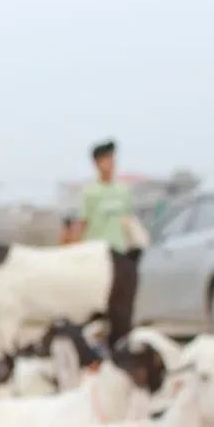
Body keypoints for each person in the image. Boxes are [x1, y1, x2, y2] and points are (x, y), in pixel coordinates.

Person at [77, 140, 140, 347]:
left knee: (121, 308)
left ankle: (121, 346)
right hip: (97, 257)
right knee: (96, 305)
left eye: (112, 158)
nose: (110, 163)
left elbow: (128, 221)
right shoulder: (90, 192)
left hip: (119, 254)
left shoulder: (123, 190)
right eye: (106, 159)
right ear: (96, 163)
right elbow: (82, 223)